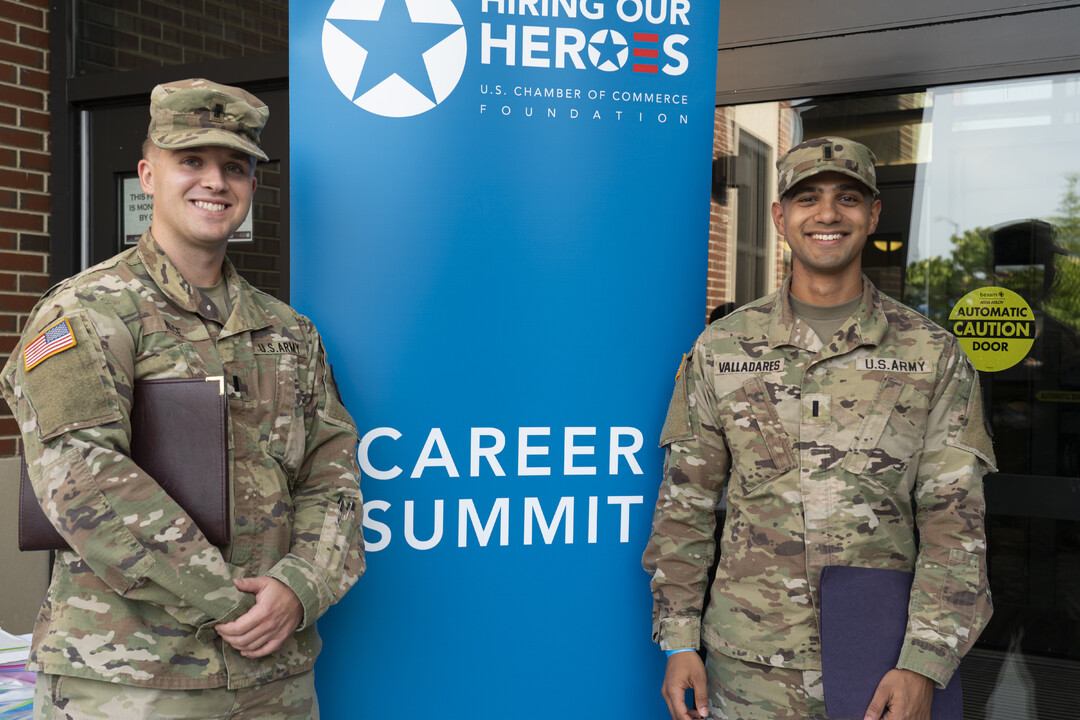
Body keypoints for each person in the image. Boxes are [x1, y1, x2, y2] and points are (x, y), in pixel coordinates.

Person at [1, 78, 364, 718]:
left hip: (273, 679)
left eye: (235, 167)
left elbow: (331, 472)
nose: (215, 182)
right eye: (191, 161)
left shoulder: (288, 331)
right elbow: (82, 478)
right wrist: (229, 602)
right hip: (131, 681)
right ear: (147, 174)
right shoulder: (86, 311)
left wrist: (299, 586)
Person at [643, 137, 996, 720]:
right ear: (781, 217)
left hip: (880, 666)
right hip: (747, 667)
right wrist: (680, 640)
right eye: (807, 198)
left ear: (873, 214)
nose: (828, 214)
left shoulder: (932, 354)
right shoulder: (721, 348)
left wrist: (924, 663)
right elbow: (686, 504)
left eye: (848, 197)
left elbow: (954, 522)